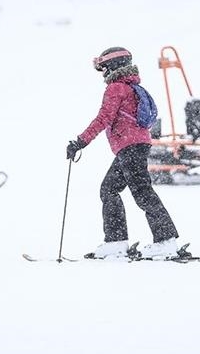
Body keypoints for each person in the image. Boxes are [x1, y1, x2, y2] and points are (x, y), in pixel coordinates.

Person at [66, 47, 180, 260]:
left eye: (104, 68)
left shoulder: (116, 88)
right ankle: (116, 242)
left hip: (130, 146)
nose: (103, 74)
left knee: (142, 192)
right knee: (109, 189)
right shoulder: (131, 87)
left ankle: (165, 241)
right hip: (134, 145)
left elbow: (103, 119)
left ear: (113, 66)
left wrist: (80, 142)